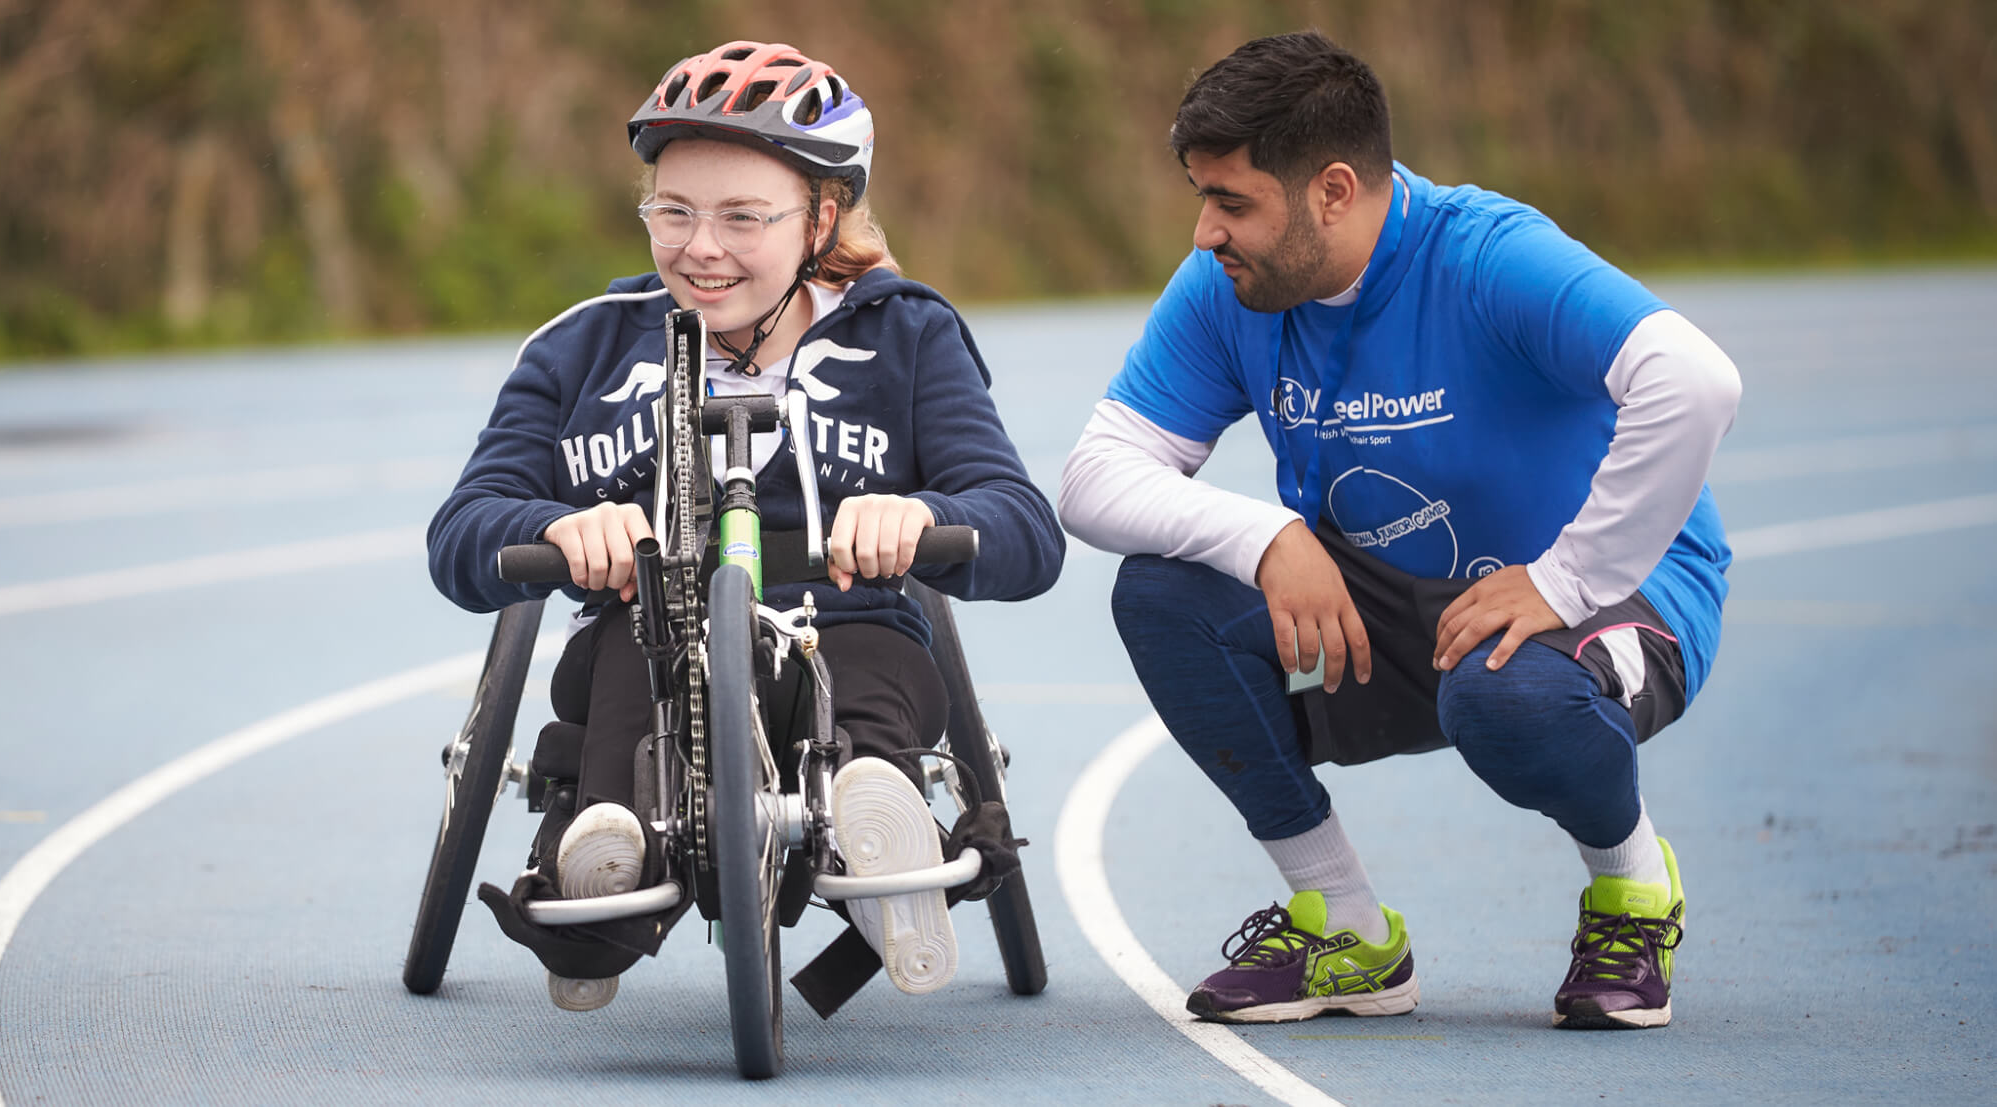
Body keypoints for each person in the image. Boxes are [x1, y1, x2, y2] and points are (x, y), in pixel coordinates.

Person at [1058, 30, 1740, 1030]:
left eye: (1232, 202)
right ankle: (1346, 932)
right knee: (1167, 595)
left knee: (1507, 693)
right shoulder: (1228, 287)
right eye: (1201, 198)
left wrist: (1565, 578)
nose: (1206, 232)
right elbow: (1094, 475)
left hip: (1610, 601)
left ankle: (1631, 888)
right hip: (1394, 604)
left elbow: (1694, 379)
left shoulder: (1486, 257)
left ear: (1332, 190)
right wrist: (1265, 539)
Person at [428, 40, 1064, 1012]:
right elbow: (463, 530)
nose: (701, 247)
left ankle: (872, 821)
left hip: (845, 621)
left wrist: (922, 516)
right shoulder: (581, 347)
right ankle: (605, 851)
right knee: (626, 695)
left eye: (741, 217)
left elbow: (1023, 530)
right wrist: (558, 530)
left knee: (864, 692)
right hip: (642, 629)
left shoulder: (905, 337)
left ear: (821, 215)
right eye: (672, 211)